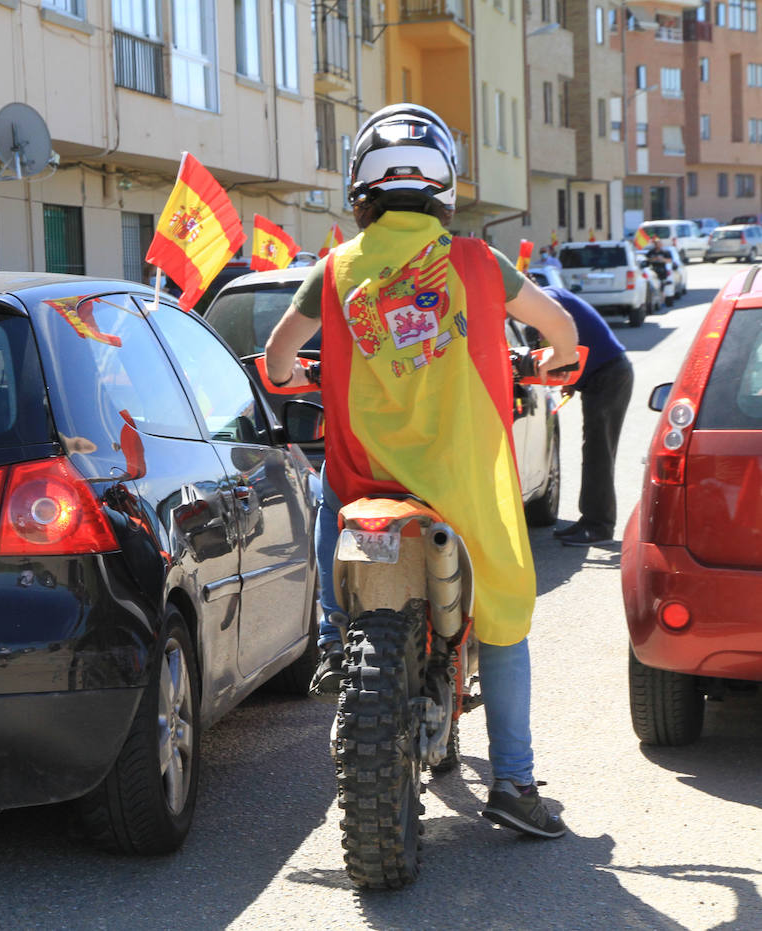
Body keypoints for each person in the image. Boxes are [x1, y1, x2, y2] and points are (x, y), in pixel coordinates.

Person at [263, 103, 578, 839]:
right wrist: (549, 362)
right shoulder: (478, 263)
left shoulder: (335, 270)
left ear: (360, 193)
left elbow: (279, 361)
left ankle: (339, 635)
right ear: (444, 190)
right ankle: (514, 782)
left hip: (365, 482)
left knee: (322, 499)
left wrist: (303, 373)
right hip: (465, 491)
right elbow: (560, 331)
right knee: (502, 626)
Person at [537, 284, 634, 546]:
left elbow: (555, 318)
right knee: (593, 450)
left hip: (610, 375)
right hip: (603, 375)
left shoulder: (548, 296)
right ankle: (590, 519)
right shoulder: (552, 295)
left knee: (598, 453)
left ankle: (599, 526)